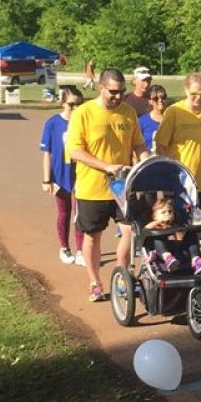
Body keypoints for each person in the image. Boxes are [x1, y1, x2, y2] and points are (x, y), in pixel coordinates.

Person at [67, 69, 150, 302]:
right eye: (113, 92)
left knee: (129, 231)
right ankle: (94, 282)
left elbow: (138, 145)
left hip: (122, 187)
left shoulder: (128, 113)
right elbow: (74, 151)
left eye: (122, 91)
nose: (118, 96)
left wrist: (148, 162)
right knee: (93, 235)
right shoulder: (83, 113)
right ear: (100, 88)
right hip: (92, 188)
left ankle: (122, 276)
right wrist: (106, 166)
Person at [155, 72, 201, 211]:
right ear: (185, 90)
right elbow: (160, 145)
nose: (198, 98)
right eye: (194, 94)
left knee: (198, 224)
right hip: (179, 180)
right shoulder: (174, 111)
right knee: (178, 223)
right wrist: (168, 173)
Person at [40, 86, 86, 266]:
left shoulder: (84, 122)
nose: (75, 109)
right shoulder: (53, 123)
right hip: (60, 176)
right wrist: (47, 180)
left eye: (79, 105)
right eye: (71, 105)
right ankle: (65, 247)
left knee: (80, 214)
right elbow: (47, 154)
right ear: (62, 103)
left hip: (81, 175)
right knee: (64, 213)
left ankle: (81, 250)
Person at [144, 197, 201, 274]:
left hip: (179, 251)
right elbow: (146, 229)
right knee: (158, 236)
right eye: (163, 212)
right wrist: (158, 222)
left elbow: (180, 237)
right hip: (161, 254)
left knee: (191, 233)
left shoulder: (176, 225)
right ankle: (168, 257)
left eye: (170, 212)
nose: (167, 214)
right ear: (154, 216)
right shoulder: (154, 226)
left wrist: (178, 230)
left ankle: (196, 260)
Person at [137, 84, 168, 153]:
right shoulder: (141, 121)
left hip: (169, 161)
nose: (160, 100)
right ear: (150, 101)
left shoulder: (172, 119)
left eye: (163, 97)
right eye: (156, 98)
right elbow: (135, 147)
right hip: (149, 161)